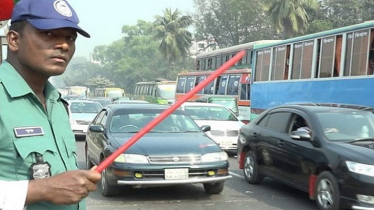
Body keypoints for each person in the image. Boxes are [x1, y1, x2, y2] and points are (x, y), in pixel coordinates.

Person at [0, 0, 101, 210]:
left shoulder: (57, 104)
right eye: (48, 34)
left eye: (69, 38)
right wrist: (39, 190)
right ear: (14, 39)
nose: (63, 45)